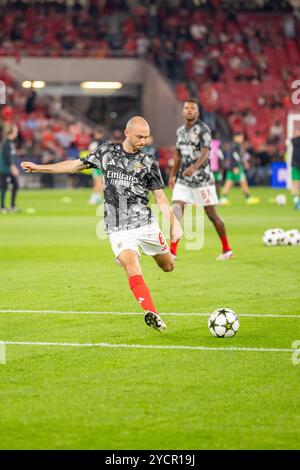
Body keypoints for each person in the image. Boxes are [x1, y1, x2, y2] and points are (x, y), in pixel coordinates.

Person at [21, 116, 182, 332]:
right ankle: (152, 312)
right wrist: (40, 168)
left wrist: (174, 223)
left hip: (145, 224)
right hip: (117, 227)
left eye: (146, 137)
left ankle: (170, 251)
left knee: (168, 266)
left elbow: (160, 198)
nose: (144, 141)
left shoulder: (148, 162)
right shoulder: (106, 152)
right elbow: (74, 165)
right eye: (139, 136)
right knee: (130, 262)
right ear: (127, 132)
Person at [168, 99, 233, 261]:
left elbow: (205, 153)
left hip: (203, 181)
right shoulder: (180, 131)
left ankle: (227, 249)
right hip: (184, 180)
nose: (189, 110)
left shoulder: (204, 130)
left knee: (212, 215)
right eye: (187, 108)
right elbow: (178, 155)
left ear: (197, 112)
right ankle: (172, 251)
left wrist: (194, 168)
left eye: (193, 108)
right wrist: (172, 175)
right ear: (183, 112)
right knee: (176, 209)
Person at [219, 133, 260, 206]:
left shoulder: (232, 145)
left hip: (233, 167)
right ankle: (248, 198)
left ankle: (224, 199)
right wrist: (235, 166)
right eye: (240, 137)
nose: (242, 138)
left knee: (232, 182)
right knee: (239, 182)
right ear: (236, 137)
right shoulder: (236, 146)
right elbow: (234, 157)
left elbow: (233, 157)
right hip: (236, 167)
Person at [0, 125, 20, 213]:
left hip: (9, 169)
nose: (17, 132)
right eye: (15, 131)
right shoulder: (6, 143)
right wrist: (13, 167)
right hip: (4, 169)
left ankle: (12, 206)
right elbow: (6, 156)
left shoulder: (11, 143)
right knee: (4, 186)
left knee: (15, 185)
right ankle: (2, 207)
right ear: (11, 132)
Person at [88, 127, 105, 205]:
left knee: (98, 182)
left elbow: (91, 154)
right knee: (97, 182)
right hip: (103, 164)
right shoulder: (106, 143)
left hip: (97, 165)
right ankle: (96, 197)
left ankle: (105, 198)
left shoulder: (94, 144)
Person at [290, 128, 300, 210]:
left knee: (295, 184)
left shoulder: (294, 141)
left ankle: (296, 201)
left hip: (295, 165)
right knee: (295, 184)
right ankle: (296, 201)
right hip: (295, 166)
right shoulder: (294, 141)